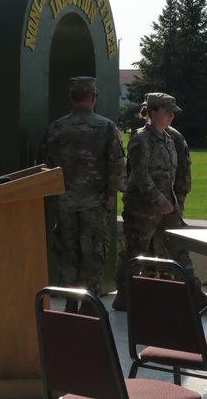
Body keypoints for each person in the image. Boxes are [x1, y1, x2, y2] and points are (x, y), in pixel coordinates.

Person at [111, 93, 207, 312]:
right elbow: (140, 175)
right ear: (152, 113)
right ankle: (123, 296)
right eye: (167, 111)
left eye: (173, 112)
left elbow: (175, 173)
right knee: (134, 252)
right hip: (142, 208)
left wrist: (175, 201)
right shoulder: (141, 139)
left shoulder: (169, 138)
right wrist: (158, 199)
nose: (171, 115)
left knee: (179, 249)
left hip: (166, 206)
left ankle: (196, 296)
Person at [38, 76, 125, 310]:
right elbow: (116, 164)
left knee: (68, 252)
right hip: (94, 203)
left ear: (72, 97)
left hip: (63, 203)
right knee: (93, 251)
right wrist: (111, 195)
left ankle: (69, 302)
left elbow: (43, 166)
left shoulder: (55, 127)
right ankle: (89, 304)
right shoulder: (105, 126)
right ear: (93, 97)